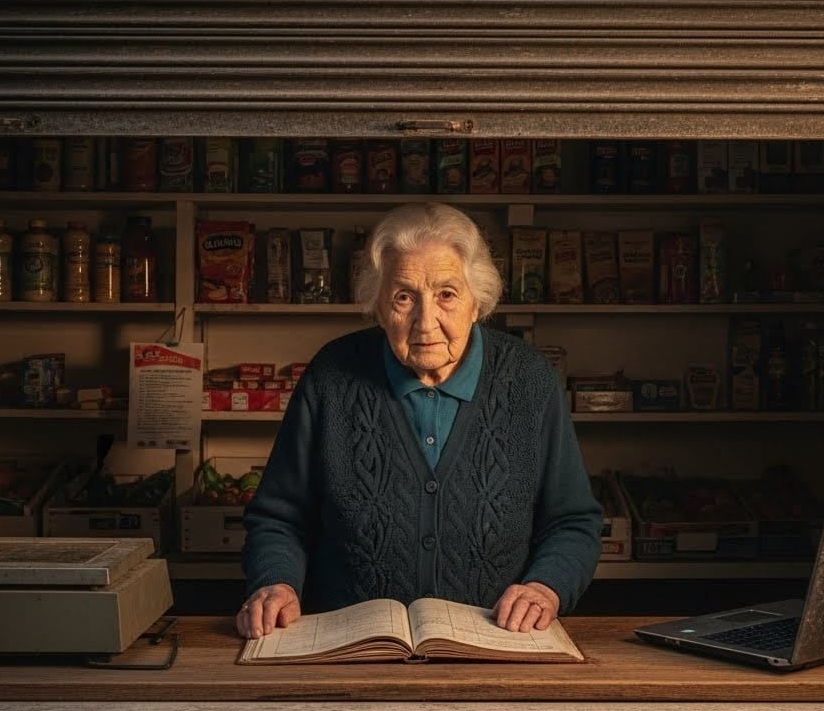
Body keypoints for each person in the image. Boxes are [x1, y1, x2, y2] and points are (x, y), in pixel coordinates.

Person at [237, 203, 603, 639]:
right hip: (351, 648)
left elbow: (573, 522)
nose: (425, 321)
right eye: (404, 297)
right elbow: (279, 517)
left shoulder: (529, 380)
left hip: (496, 644)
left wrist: (545, 588)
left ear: (477, 301)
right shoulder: (331, 375)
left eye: (446, 294)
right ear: (378, 305)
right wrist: (276, 581)